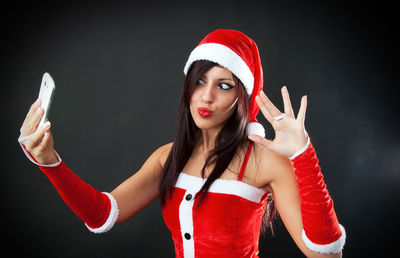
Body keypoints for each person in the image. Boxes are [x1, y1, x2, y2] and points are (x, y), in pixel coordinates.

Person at [18, 29, 346, 257]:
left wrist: (303, 154)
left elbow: (324, 254)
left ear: (242, 98)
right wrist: (49, 162)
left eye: (224, 85)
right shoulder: (168, 157)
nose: (206, 95)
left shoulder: (265, 161)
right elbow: (103, 215)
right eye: (200, 80)